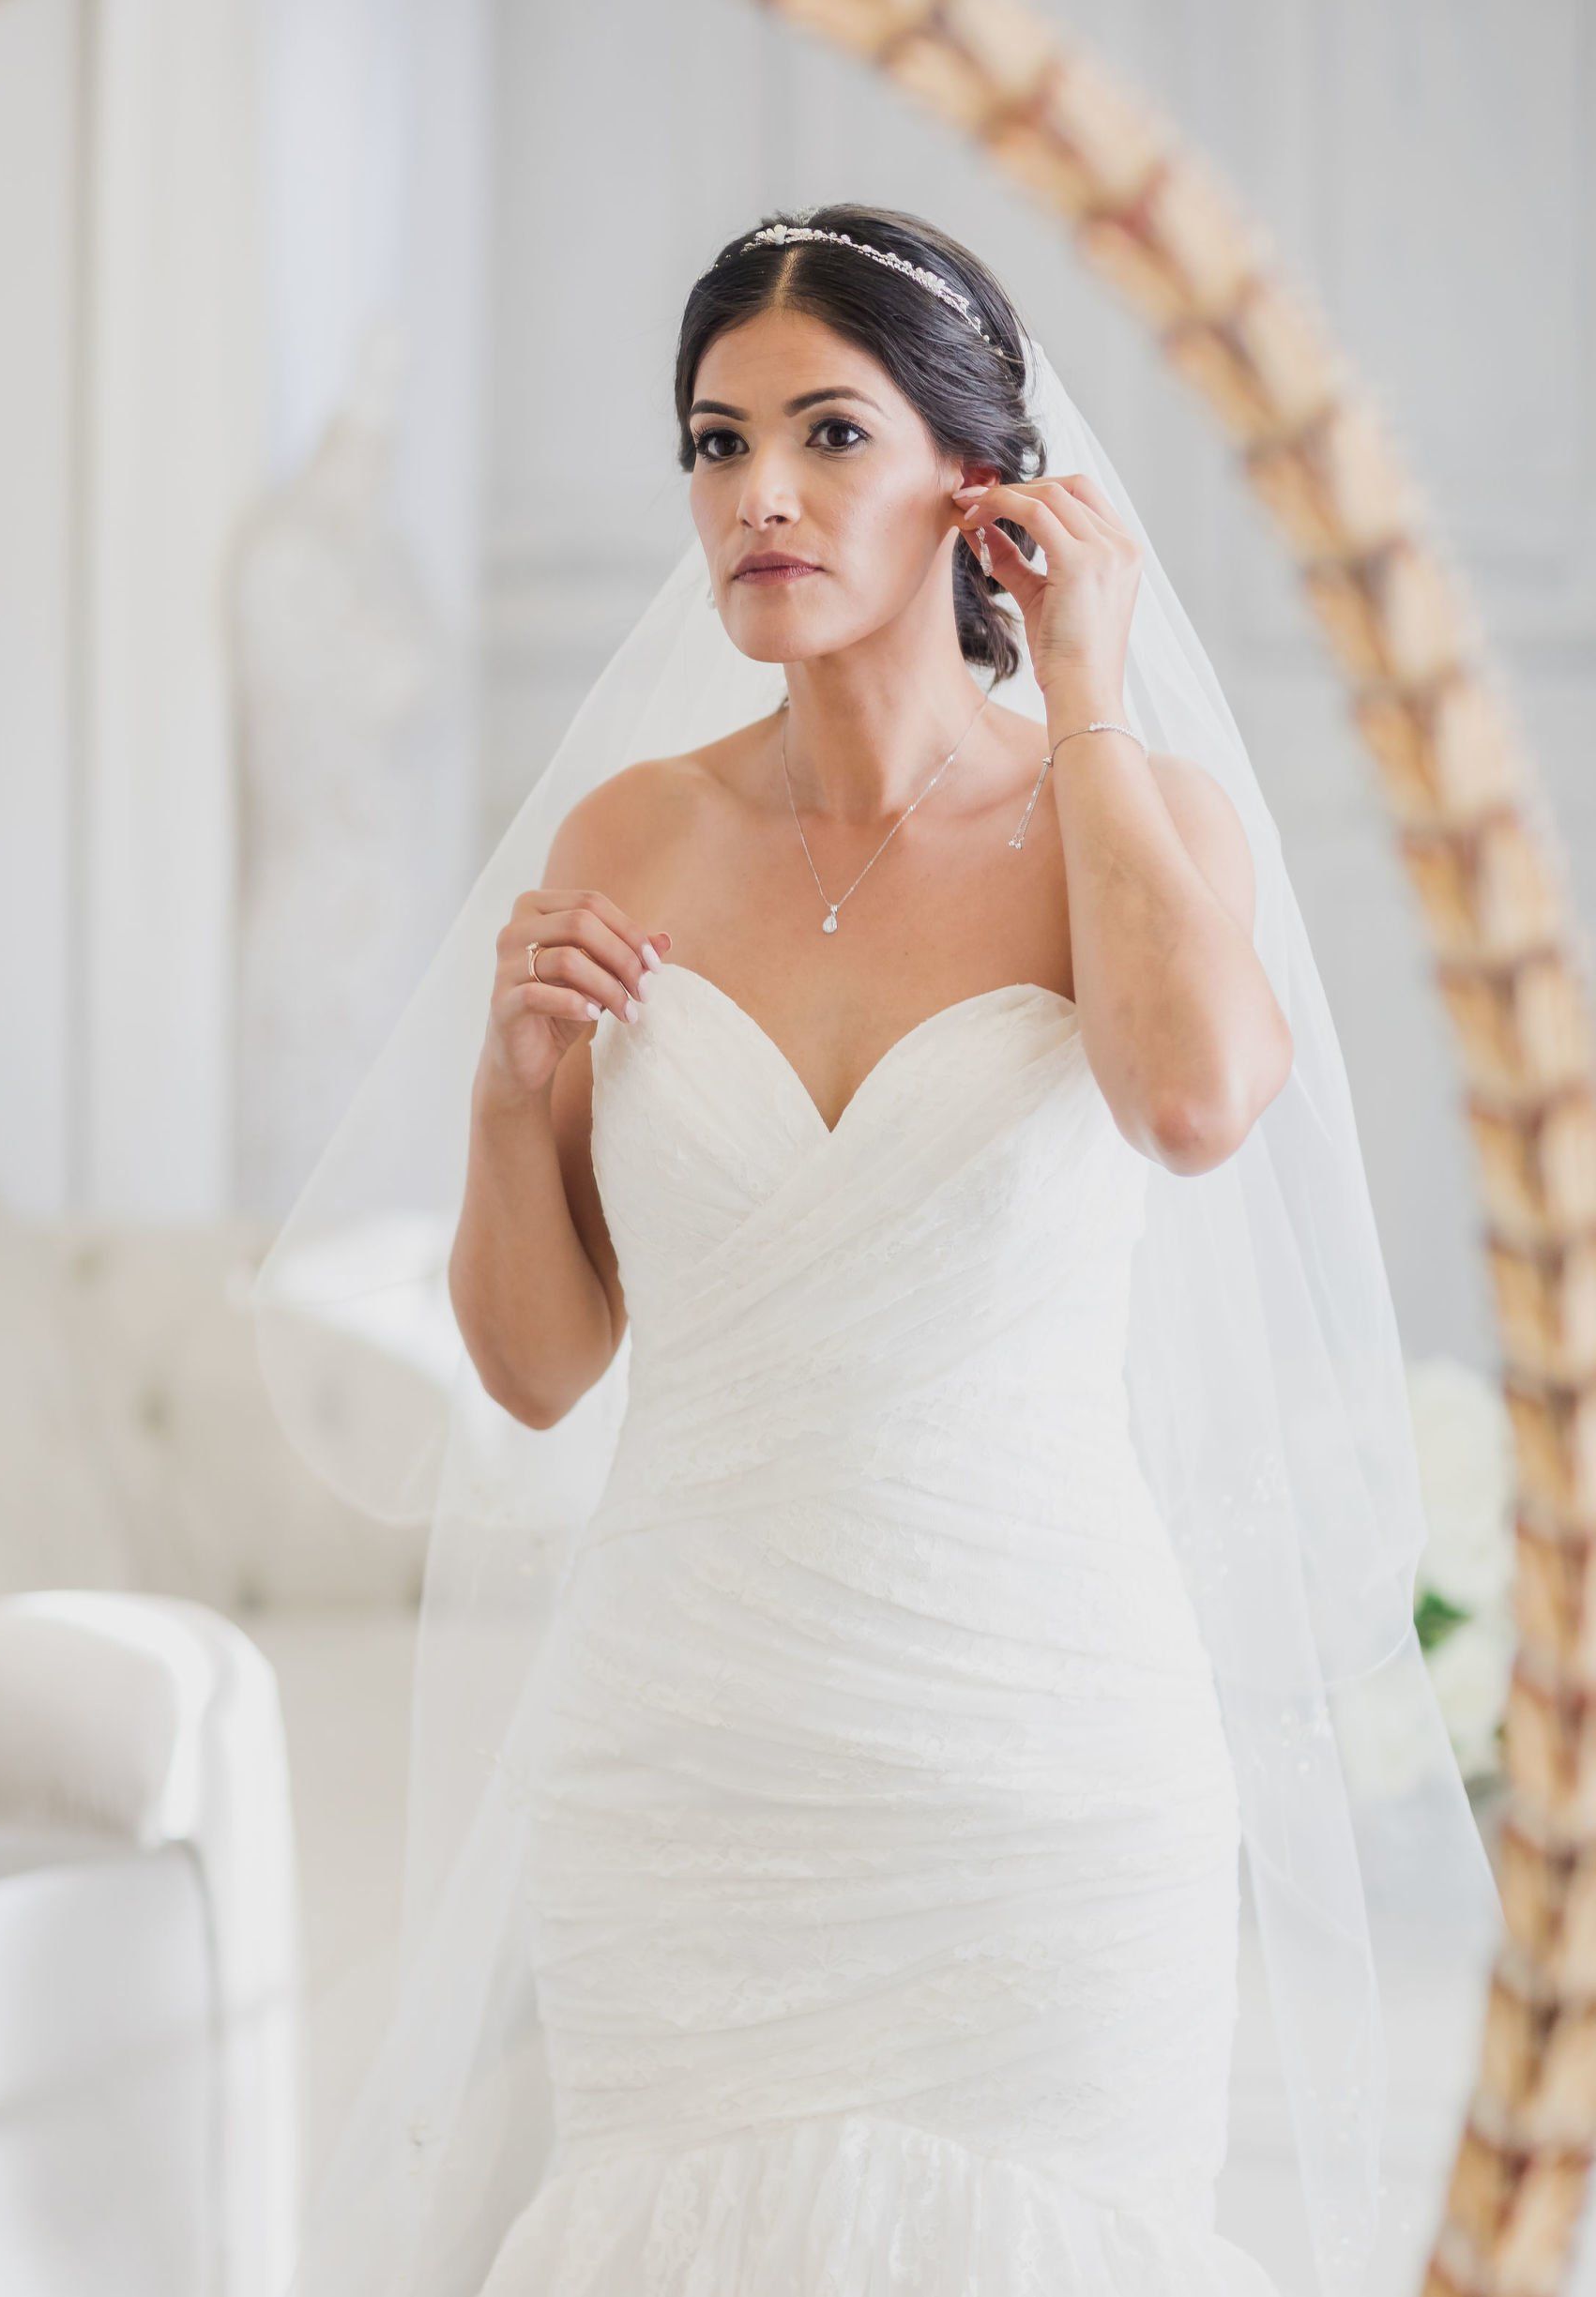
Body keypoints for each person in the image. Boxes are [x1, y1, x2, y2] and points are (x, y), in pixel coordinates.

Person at [252, 205, 1502, 2297]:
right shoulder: (630, 836)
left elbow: (1194, 1104)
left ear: (977, 479)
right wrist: (510, 1084)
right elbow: (542, 1366)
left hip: (1035, 1760)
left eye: (831, 434)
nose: (758, 495)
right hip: (688, 1756)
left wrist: (1087, 692)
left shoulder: (1137, 813)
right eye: (716, 439)